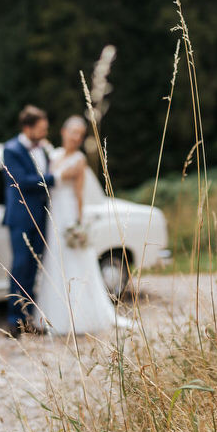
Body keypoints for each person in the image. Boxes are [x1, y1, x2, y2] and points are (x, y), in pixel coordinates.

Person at [35, 115, 134, 335]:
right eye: (73, 133)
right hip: (53, 213)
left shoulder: (79, 159)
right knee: (54, 261)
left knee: (74, 261)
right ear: (63, 132)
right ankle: (51, 315)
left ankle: (80, 317)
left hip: (69, 212)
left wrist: (78, 223)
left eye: (80, 135)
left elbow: (79, 193)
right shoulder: (54, 155)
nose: (76, 138)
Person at [2, 105, 55, 337]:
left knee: (34, 267)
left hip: (41, 215)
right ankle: (14, 320)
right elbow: (22, 181)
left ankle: (28, 317)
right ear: (28, 127)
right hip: (21, 217)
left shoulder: (43, 149)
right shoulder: (11, 149)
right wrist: (56, 178)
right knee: (20, 266)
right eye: (41, 129)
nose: (44, 133)